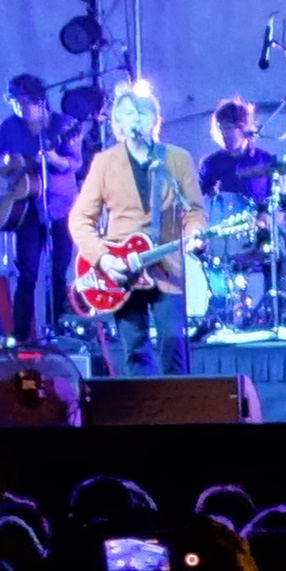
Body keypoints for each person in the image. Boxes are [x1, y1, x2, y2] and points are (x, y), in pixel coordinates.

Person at [65, 86, 195, 378]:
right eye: (128, 112)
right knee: (135, 349)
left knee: (174, 341)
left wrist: (196, 232)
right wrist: (103, 258)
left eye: (142, 111)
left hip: (167, 268)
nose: (136, 117)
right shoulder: (104, 163)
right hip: (121, 270)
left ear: (155, 119)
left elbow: (195, 210)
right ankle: (143, 406)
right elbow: (79, 218)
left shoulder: (177, 159)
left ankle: (181, 404)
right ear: (118, 124)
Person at [0, 76, 76, 352]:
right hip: (25, 211)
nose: (20, 107)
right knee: (26, 273)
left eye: (24, 101)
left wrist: (53, 159)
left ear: (39, 99)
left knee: (58, 271)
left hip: (59, 207)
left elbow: (73, 163)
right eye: (14, 102)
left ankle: (57, 332)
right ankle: (20, 336)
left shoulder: (63, 125)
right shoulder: (9, 126)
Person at [193, 101, 277, 336]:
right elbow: (196, 201)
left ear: (243, 127)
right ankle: (217, 315)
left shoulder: (265, 161)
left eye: (228, 128)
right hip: (221, 235)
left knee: (281, 257)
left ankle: (273, 314)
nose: (224, 134)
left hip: (257, 235)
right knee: (200, 254)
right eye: (220, 129)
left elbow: (277, 204)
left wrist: (265, 218)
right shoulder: (211, 164)